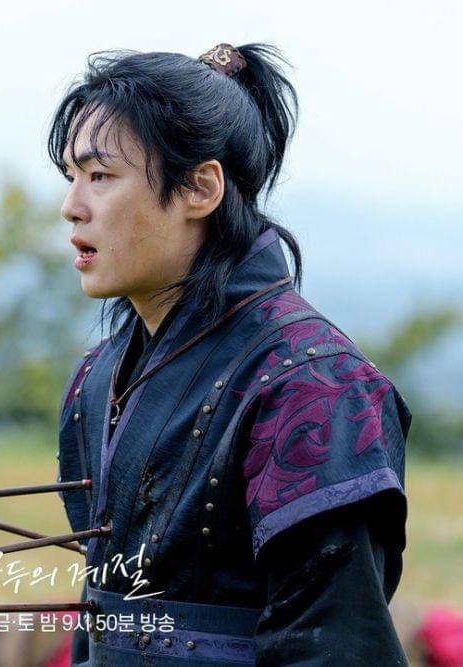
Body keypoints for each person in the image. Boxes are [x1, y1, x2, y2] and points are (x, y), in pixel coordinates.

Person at [51, 43, 412, 665]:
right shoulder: (99, 376)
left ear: (200, 188)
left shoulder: (315, 385)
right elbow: (104, 620)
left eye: (100, 176)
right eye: (71, 178)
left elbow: (336, 647)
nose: (72, 207)